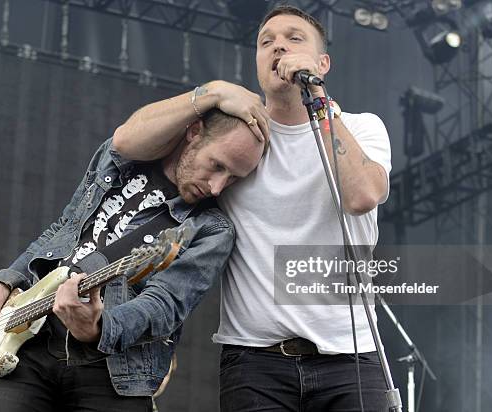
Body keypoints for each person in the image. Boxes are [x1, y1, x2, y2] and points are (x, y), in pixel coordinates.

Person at [111, 5, 392, 411]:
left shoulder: (362, 127)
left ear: (323, 63)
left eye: (294, 38)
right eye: (266, 42)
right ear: (258, 63)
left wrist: (316, 96)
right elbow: (125, 142)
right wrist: (210, 94)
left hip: (351, 356)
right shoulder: (238, 137)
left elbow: (362, 195)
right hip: (255, 362)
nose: (279, 45)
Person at [0, 108, 265, 412]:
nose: (216, 186)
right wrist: (7, 279)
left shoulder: (211, 228)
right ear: (194, 131)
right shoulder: (118, 161)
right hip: (29, 347)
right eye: (216, 165)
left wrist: (99, 327)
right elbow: (65, 228)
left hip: (113, 374)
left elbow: (165, 305)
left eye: (232, 179)